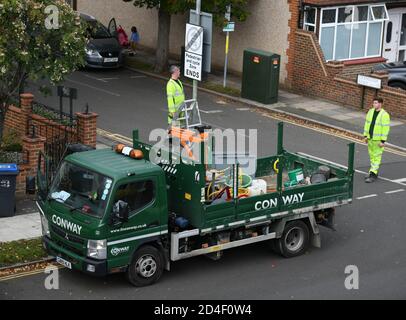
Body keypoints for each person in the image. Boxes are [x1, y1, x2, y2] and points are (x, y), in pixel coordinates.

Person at [363, 97, 391, 183]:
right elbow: (367, 124)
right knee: (372, 156)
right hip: (370, 138)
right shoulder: (371, 111)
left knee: (377, 156)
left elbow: (385, 129)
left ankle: (373, 174)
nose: (374, 104)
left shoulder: (384, 115)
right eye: (373, 103)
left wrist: (383, 141)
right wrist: (365, 136)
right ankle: (373, 171)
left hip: (378, 140)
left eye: (375, 103)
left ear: (380, 104)